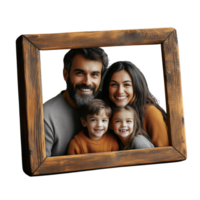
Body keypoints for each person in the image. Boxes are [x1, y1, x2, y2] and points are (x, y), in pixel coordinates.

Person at [43, 48, 110, 157]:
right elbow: (40, 170)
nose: (87, 82)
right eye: (80, 73)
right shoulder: (46, 116)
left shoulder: (108, 101)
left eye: (94, 75)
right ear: (64, 74)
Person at [102, 60, 169, 148]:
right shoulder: (105, 113)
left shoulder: (151, 112)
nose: (120, 91)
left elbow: (165, 154)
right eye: (114, 84)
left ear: (136, 87)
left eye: (126, 84)